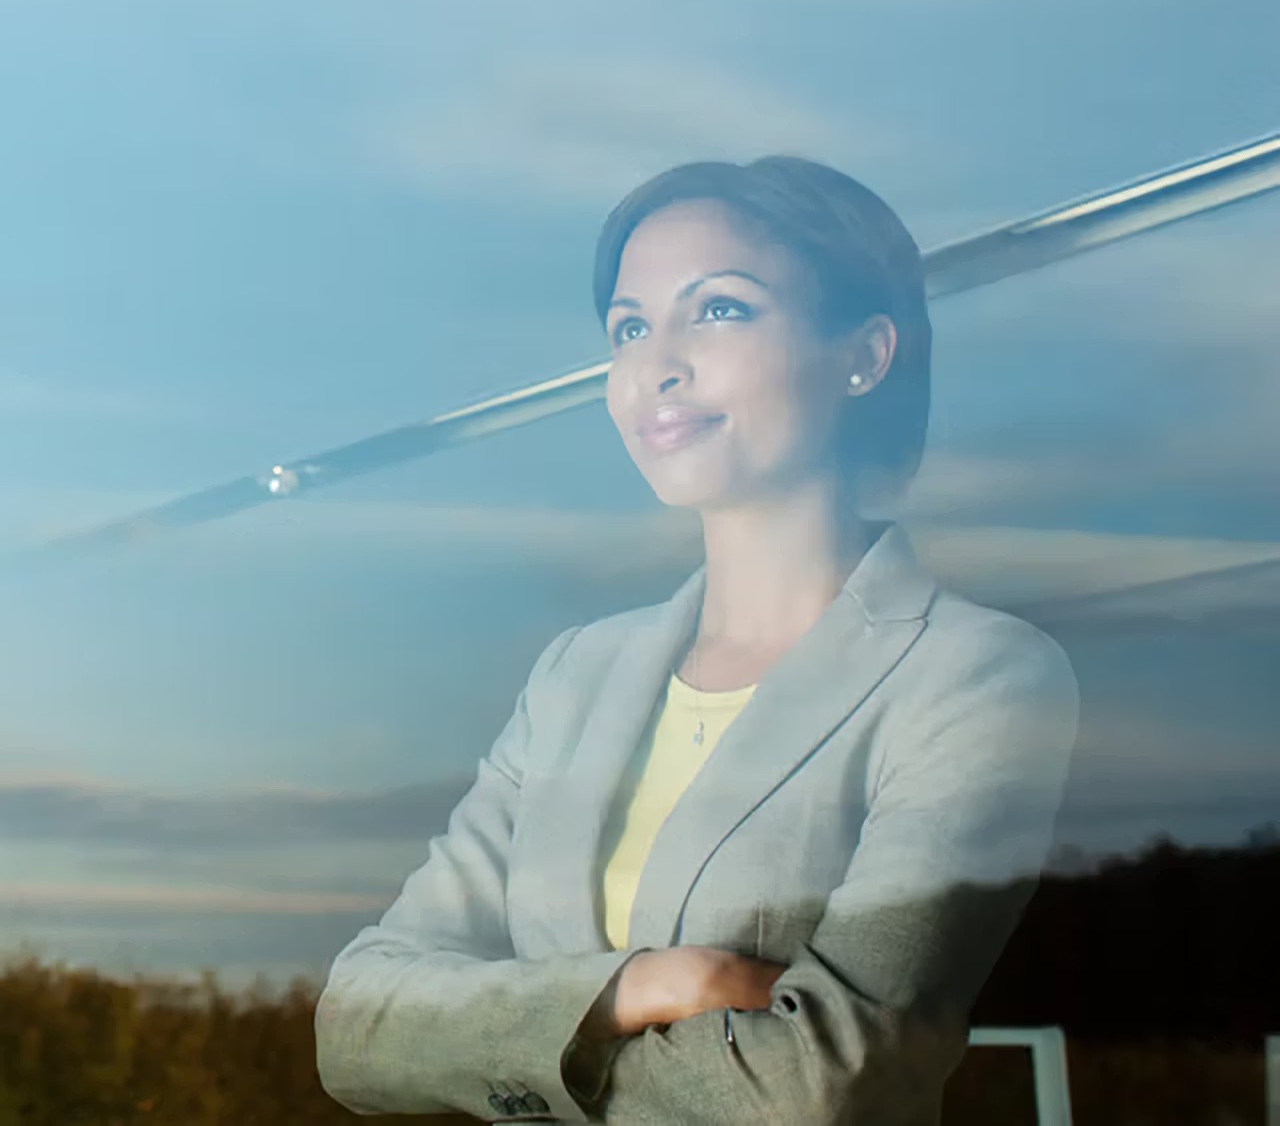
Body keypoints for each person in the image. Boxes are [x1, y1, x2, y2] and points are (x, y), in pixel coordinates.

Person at [314, 157, 1080, 1124]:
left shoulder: (972, 677)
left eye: (719, 310)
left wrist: (500, 1045)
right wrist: (650, 985)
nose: (655, 363)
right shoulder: (576, 676)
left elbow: (820, 1086)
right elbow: (356, 1025)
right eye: (630, 326)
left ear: (865, 353)